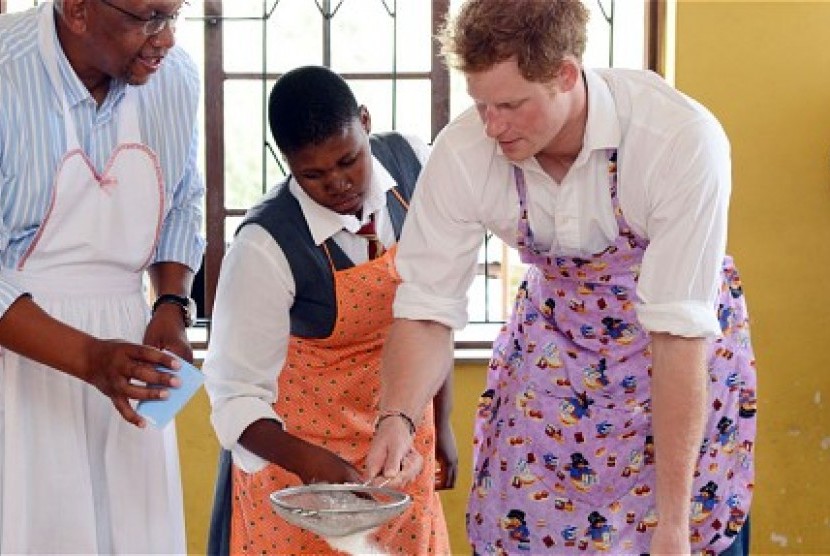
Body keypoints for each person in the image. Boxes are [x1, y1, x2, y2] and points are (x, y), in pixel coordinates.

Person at [365, 1, 757, 555]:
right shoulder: (465, 152)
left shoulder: (678, 140)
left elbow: (676, 337)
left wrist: (673, 528)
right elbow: (428, 308)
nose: (492, 125)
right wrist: (397, 418)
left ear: (565, 75)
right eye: (480, 104)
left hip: (674, 369)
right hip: (555, 362)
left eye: (510, 104)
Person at [203, 65, 454, 555]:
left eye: (348, 161)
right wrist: (311, 465)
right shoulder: (264, 247)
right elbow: (233, 398)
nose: (338, 184)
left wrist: (441, 423)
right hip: (300, 473)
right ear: (287, 163)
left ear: (365, 121)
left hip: (404, 448)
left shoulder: (415, 165)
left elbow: (432, 306)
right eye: (313, 175)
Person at [0, 0, 205, 553]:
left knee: (134, 534)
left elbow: (184, 202)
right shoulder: (4, 73)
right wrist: (90, 359)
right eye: (148, 17)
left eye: (175, 13)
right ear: (78, 10)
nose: (165, 38)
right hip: (18, 357)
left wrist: (169, 307)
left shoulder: (175, 78)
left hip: (129, 355)